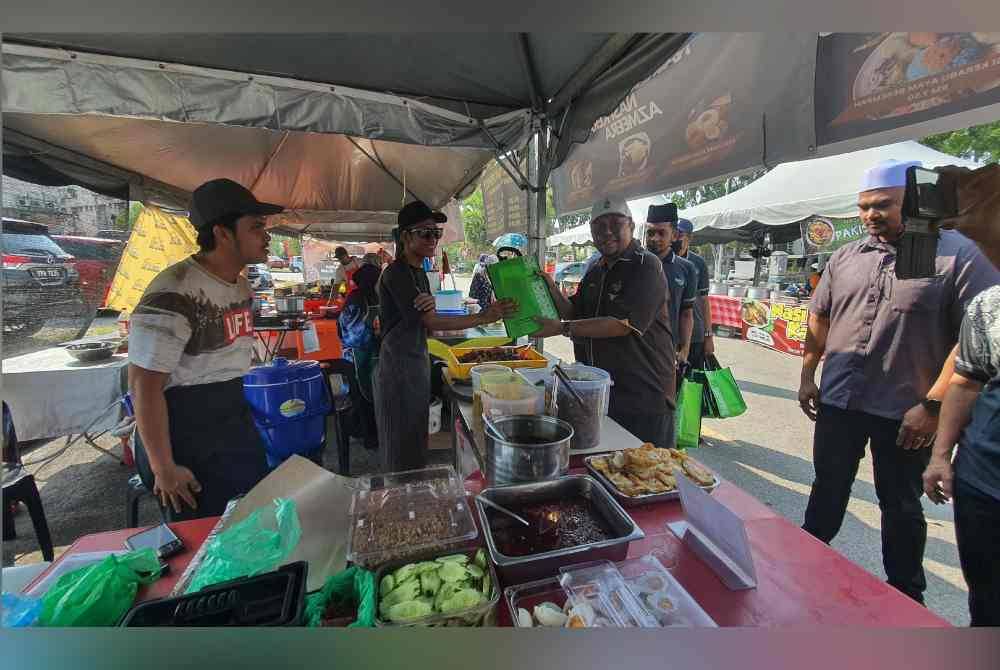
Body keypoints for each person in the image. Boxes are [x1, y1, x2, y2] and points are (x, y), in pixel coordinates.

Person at [797, 159, 999, 604]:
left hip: (906, 412)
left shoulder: (959, 254)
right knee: (827, 486)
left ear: (912, 201)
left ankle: (906, 595)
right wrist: (808, 375)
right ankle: (800, 562)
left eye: (883, 205)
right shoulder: (846, 257)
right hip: (841, 401)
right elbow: (820, 316)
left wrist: (931, 406)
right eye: (865, 207)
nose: (871, 215)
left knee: (901, 505)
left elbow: (971, 341)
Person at [129, 178, 283, 519]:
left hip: (230, 416)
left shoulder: (241, 286)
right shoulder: (174, 291)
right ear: (222, 233)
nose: (267, 236)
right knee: (204, 538)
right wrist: (164, 468)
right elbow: (143, 386)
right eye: (256, 227)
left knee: (247, 522)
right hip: (183, 428)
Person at [375, 201, 515, 472]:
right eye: (425, 233)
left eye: (435, 233)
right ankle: (401, 500)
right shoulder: (397, 274)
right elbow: (430, 321)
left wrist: (437, 311)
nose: (433, 240)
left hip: (415, 362)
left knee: (416, 437)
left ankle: (415, 492)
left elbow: (427, 325)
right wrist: (483, 317)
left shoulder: (420, 273)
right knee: (400, 445)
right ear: (405, 236)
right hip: (397, 367)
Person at [921, 162, 1000, 626]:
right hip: (983, 485)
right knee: (986, 608)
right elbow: (966, 381)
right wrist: (941, 456)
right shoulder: (988, 306)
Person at [534, 196, 675, 448]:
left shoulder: (646, 265)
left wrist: (561, 329)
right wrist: (549, 284)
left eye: (615, 224)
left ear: (631, 226)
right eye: (599, 227)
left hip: (642, 394)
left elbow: (622, 324)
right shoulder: (595, 270)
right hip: (599, 392)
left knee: (649, 475)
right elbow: (573, 312)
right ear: (591, 232)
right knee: (606, 468)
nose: (607, 232)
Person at [644, 204, 697, 378]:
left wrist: (685, 350)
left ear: (674, 235)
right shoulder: (634, 264)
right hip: (634, 352)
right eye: (650, 233)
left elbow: (686, 314)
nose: (654, 238)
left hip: (668, 353)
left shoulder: (687, 269)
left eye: (661, 233)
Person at [338, 263, 382, 451]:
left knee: (371, 396)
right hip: (359, 356)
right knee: (364, 397)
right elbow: (352, 334)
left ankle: (374, 435)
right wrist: (377, 336)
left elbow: (342, 330)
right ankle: (370, 436)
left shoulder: (374, 296)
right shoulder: (357, 299)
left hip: (372, 354)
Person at [675, 219, 714, 370]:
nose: (676, 238)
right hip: (669, 334)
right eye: (674, 233)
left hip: (695, 335)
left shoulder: (698, 263)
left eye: (680, 234)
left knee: (691, 385)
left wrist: (708, 336)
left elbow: (704, 301)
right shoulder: (663, 260)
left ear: (689, 238)